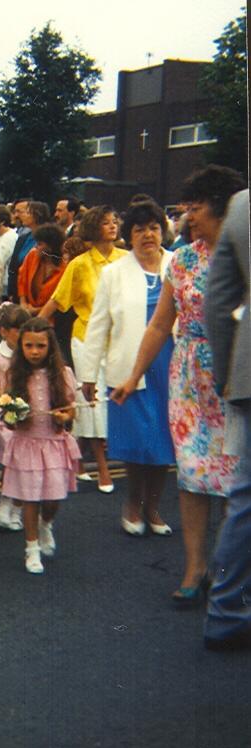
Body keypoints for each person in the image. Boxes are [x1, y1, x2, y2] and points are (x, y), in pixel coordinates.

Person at [113, 165, 244, 607]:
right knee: (191, 473)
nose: (187, 218)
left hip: (235, 375)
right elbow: (159, 325)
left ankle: (230, 571)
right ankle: (195, 568)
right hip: (188, 377)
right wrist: (133, 375)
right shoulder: (182, 259)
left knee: (233, 478)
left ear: (223, 206)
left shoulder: (244, 251)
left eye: (196, 208)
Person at [81, 201, 175, 536]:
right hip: (129, 366)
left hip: (171, 366)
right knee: (139, 443)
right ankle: (132, 503)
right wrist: (88, 375)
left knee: (164, 442)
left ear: (163, 231)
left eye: (153, 227)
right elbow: (98, 325)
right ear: (129, 236)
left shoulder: (178, 263)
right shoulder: (114, 272)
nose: (148, 235)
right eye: (139, 229)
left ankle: (153, 507)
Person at [39, 205, 126, 492]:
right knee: (92, 403)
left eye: (114, 220)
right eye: (105, 222)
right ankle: (102, 468)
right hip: (87, 340)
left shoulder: (128, 261)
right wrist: (32, 326)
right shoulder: (79, 264)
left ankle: (77, 460)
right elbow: (57, 301)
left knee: (116, 402)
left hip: (122, 341)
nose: (112, 225)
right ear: (92, 227)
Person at [203, 188, 251, 651]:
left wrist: (227, 372)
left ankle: (226, 610)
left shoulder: (239, 205)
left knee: (246, 497)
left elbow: (217, 302)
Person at [1, 317, 80, 574]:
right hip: (26, 443)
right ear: (21, 347)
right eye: (29, 346)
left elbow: (70, 411)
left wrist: (64, 417)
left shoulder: (63, 374)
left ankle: (47, 524)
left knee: (53, 498)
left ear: (50, 347)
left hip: (53, 443)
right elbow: (6, 414)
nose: (34, 352)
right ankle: (31, 548)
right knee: (30, 498)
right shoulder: (14, 375)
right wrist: (13, 416)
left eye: (40, 346)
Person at [0, 303, 30, 530]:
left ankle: (17, 508)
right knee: (10, 462)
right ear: (3, 331)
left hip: (26, 412)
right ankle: (5, 501)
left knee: (25, 463)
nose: (22, 335)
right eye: (17, 329)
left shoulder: (29, 352)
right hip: (5, 416)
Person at [17, 224, 66, 316]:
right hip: (27, 313)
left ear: (51, 247)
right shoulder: (32, 255)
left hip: (53, 319)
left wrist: (37, 310)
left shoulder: (65, 268)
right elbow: (21, 280)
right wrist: (23, 303)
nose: (36, 247)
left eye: (39, 244)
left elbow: (60, 301)